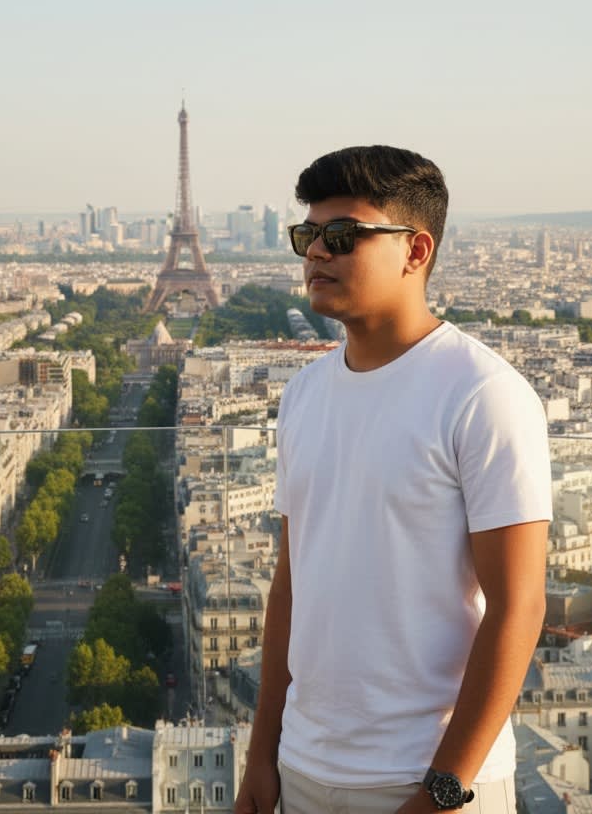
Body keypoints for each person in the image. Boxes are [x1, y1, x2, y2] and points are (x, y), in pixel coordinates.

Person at [234, 146, 552, 814]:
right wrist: (263, 756)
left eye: (342, 235)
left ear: (416, 250)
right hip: (304, 767)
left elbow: (519, 607)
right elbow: (291, 589)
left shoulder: (485, 395)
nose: (316, 253)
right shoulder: (302, 395)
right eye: (307, 235)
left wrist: (440, 793)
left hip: (426, 778)